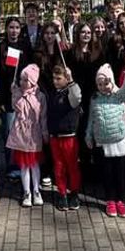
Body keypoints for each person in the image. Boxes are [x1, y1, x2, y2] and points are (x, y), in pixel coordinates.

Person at [85, 59, 125, 217]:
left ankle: (121, 200)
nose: (103, 87)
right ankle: (110, 201)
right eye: (99, 84)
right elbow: (91, 119)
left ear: (111, 81)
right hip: (103, 142)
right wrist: (89, 135)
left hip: (118, 141)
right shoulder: (95, 99)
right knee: (107, 173)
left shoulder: (118, 95)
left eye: (106, 83)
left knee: (119, 173)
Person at [8, 63, 48, 207]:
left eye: (25, 80)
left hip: (35, 133)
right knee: (24, 165)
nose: (22, 83)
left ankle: (36, 190)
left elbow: (42, 116)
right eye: (21, 80)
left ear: (32, 81)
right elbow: (16, 108)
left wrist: (45, 133)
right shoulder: (18, 93)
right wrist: (15, 93)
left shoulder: (40, 96)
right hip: (22, 134)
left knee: (35, 164)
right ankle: (26, 192)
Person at [46, 64, 82, 211]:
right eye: (54, 78)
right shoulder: (53, 94)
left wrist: (71, 80)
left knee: (72, 166)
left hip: (69, 137)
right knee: (59, 167)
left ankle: (74, 192)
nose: (55, 81)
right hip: (55, 137)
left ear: (66, 78)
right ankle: (62, 193)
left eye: (59, 78)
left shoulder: (71, 92)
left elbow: (76, 98)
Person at [0, 17, 29, 180]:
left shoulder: (25, 46)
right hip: (7, 98)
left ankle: (23, 164)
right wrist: (0, 100)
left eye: (17, 27)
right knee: (9, 132)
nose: (14, 31)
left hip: (23, 96)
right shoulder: (1, 48)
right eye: (11, 27)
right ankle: (11, 166)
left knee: (23, 132)